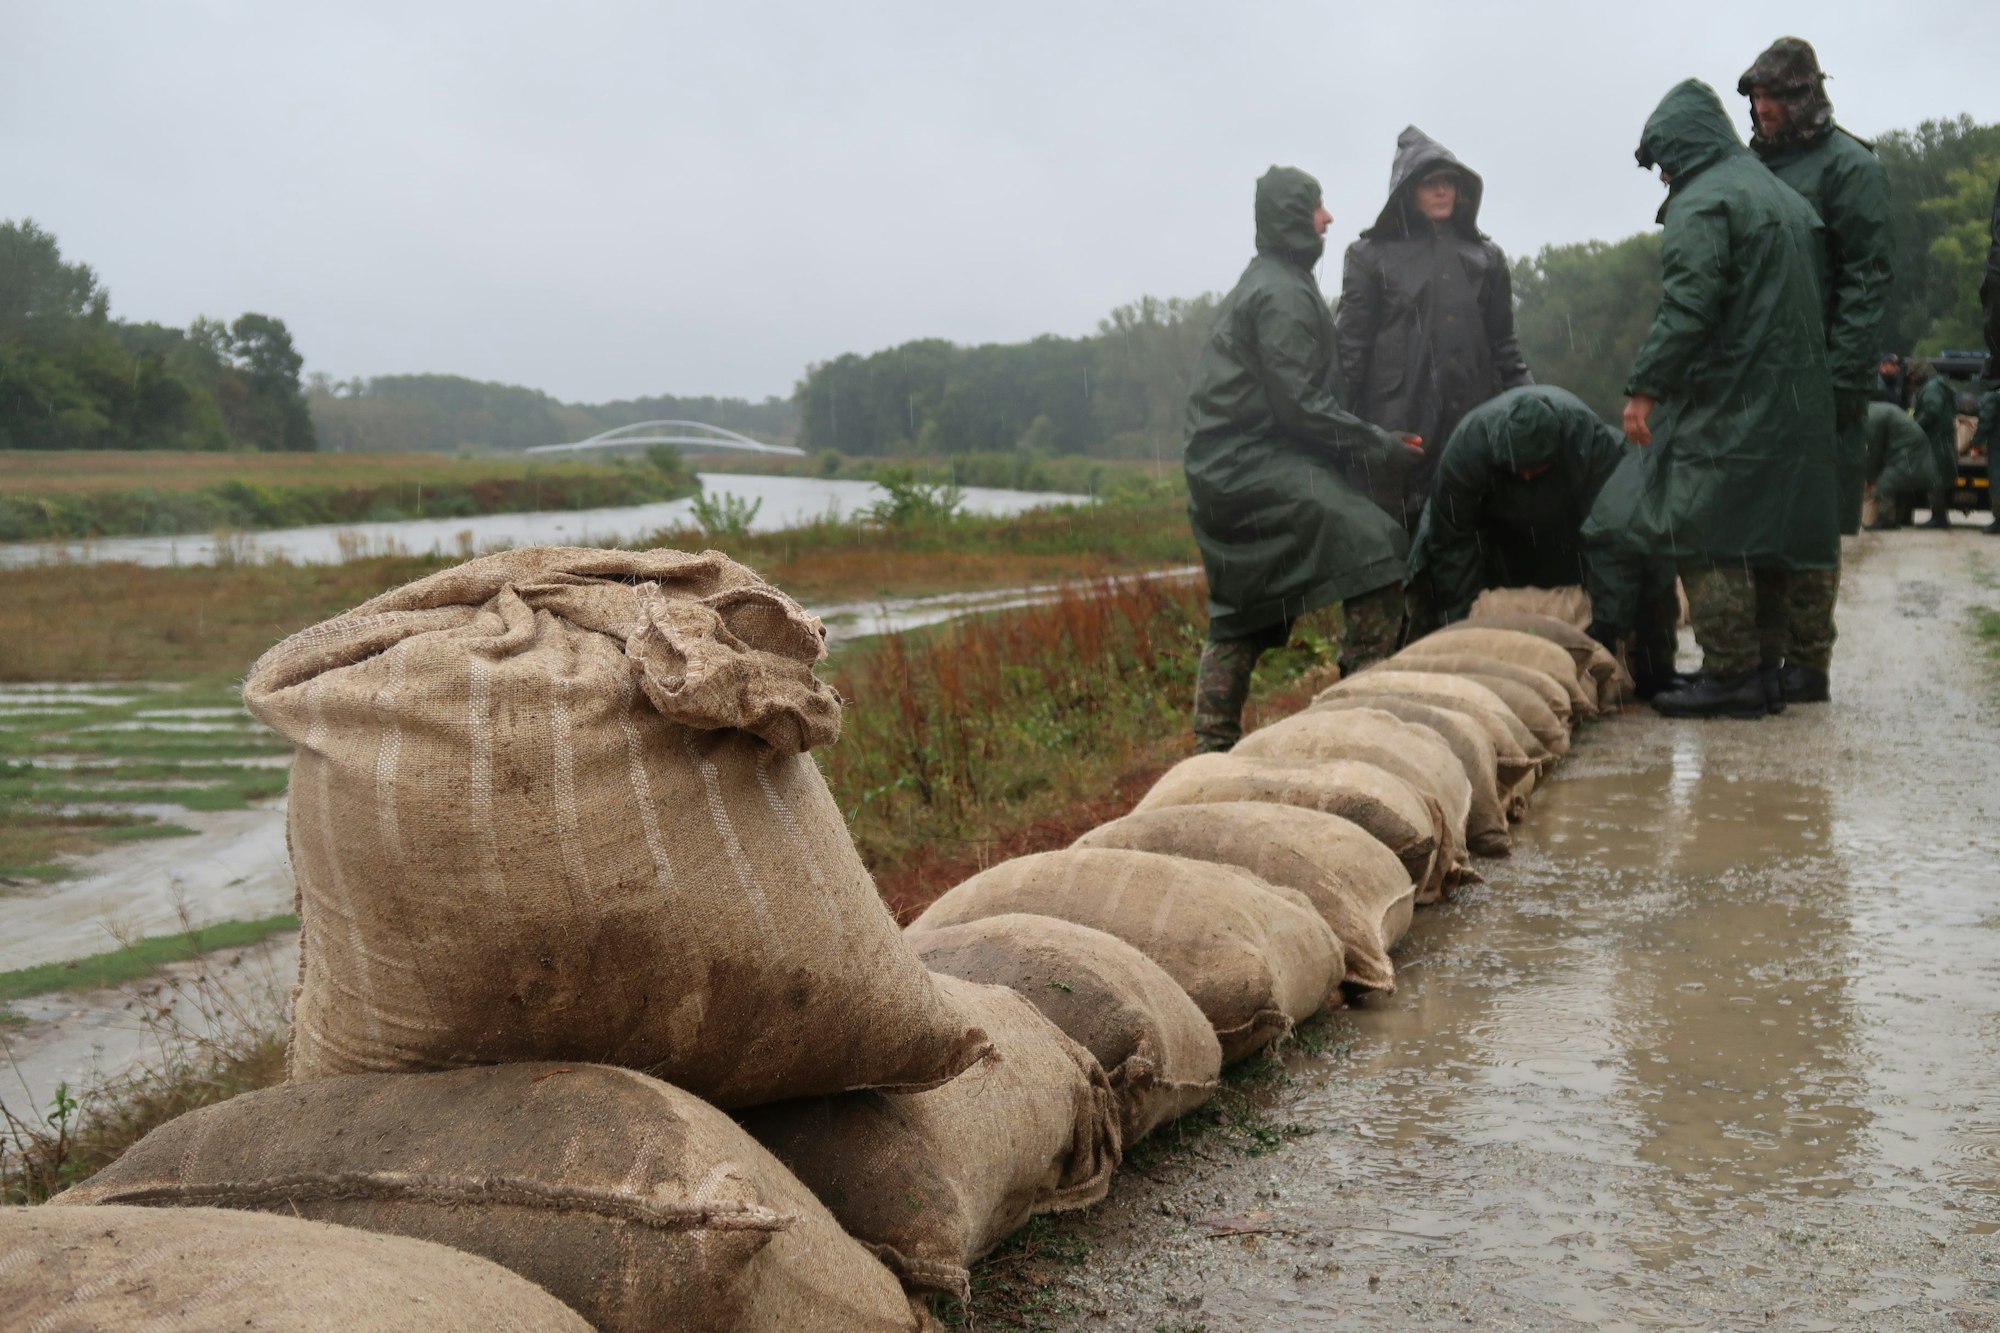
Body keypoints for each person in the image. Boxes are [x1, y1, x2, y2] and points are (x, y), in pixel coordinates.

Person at [1182, 166, 1425, 752]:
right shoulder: (1281, 294)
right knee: (1378, 548)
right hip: (1249, 465)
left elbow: (1302, 400)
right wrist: (1377, 445)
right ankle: (1359, 714)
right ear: (1295, 216)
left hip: (1229, 468)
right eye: (1318, 206)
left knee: (1243, 607)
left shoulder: (1276, 281)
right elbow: (1299, 405)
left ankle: (1209, 749)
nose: (1329, 217)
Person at [1620, 79, 1839, 720]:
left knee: (1704, 523)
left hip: (1737, 389)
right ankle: (1764, 672)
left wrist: (1645, 388)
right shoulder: (1784, 196)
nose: (1662, 174)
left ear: (1683, 147)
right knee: (1767, 529)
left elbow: (1689, 306)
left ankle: (1731, 673)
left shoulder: (1704, 200)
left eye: (1663, 159)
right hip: (1796, 393)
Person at [1738, 37, 1891, 701]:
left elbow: (1865, 278)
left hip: (1823, 374)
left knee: (1809, 523)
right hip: (1754, 378)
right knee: (1753, 520)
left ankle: (1807, 663)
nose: (1763, 108)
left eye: (1774, 95)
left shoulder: (1850, 167)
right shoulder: (1746, 167)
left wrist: (1836, 377)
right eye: (1755, 97)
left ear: (1803, 95)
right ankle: (1763, 658)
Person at [1406, 384, 1679, 696]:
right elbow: (1453, 545)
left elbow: (1612, 539)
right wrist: (1459, 627)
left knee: (1651, 550)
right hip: (1500, 541)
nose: (1526, 476)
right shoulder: (1467, 451)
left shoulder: (1590, 445)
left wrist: (1605, 627)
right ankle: (1431, 668)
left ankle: (1655, 672)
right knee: (1426, 567)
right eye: (1518, 469)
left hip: (1573, 534)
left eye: (1536, 469)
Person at [1333, 127, 1532, 531]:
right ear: (1409, 191)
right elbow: (1350, 349)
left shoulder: (1486, 257)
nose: (1442, 191)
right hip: (1398, 428)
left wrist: (1534, 408)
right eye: (1430, 183)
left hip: (1472, 423)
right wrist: (1339, 431)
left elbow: (1505, 346)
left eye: (1449, 183)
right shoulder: (1369, 257)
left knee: (1469, 542)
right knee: (1394, 549)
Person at [1865, 400, 1945, 530]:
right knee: (1898, 483)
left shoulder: (1872, 417)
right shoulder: (1874, 409)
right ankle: (1897, 519)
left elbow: (1875, 450)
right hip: (1909, 443)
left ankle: (1886, 520)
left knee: (1887, 483)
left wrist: (1870, 478)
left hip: (1907, 447)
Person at [1908, 359, 1960, 528]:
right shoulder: (1940, 385)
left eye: (1913, 374)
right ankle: (1940, 517)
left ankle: (1939, 518)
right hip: (1942, 439)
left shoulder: (1931, 388)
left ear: (1921, 373)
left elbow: (1932, 410)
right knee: (1939, 478)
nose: (1912, 378)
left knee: (1934, 479)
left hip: (1934, 440)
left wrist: (1915, 427)